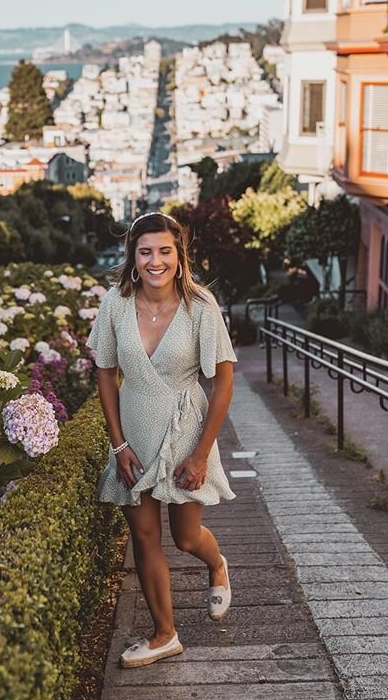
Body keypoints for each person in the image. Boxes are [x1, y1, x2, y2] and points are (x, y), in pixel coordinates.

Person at [86, 211, 236, 669]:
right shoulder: (115, 304)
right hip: (133, 433)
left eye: (165, 251)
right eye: (145, 251)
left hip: (186, 434)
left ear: (179, 255)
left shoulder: (201, 306)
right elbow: (106, 374)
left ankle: (217, 565)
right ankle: (164, 635)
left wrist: (201, 453)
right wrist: (118, 444)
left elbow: (223, 383)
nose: (156, 261)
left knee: (186, 537)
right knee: (144, 536)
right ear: (132, 256)